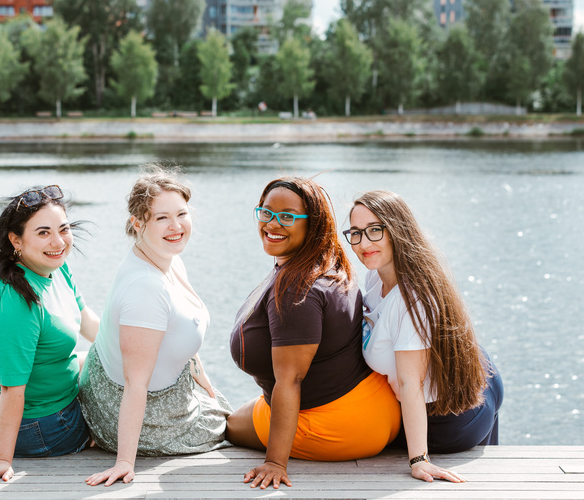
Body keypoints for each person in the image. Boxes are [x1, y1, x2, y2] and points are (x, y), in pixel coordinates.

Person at [227, 177, 402, 490]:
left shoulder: (299, 290)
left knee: (228, 426)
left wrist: (275, 463)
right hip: (373, 407)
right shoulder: (325, 263)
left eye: (288, 216)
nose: (273, 224)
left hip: (341, 425)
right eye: (266, 213)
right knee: (236, 410)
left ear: (313, 224)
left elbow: (290, 380)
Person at [80, 166, 232, 487]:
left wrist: (204, 383)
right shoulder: (146, 288)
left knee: (228, 409)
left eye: (182, 213)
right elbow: (137, 383)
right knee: (238, 427)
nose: (176, 226)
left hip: (161, 388)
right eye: (162, 218)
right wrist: (124, 462)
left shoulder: (166, 257)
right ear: (137, 223)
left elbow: (181, 328)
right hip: (147, 413)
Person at [345, 190, 503, 483]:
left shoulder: (412, 299)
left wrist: (419, 459)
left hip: (450, 419)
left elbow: (410, 382)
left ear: (397, 230)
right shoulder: (375, 274)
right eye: (355, 233)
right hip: (479, 377)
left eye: (374, 230)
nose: (363, 243)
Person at [0, 185, 100, 483]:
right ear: (16, 240)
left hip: (15, 402)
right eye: (43, 233)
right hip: (22, 422)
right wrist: (2, 460)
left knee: (118, 364)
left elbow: (87, 321)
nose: (58, 242)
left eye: (63, 229)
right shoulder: (15, 302)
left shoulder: (54, 267)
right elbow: (12, 389)